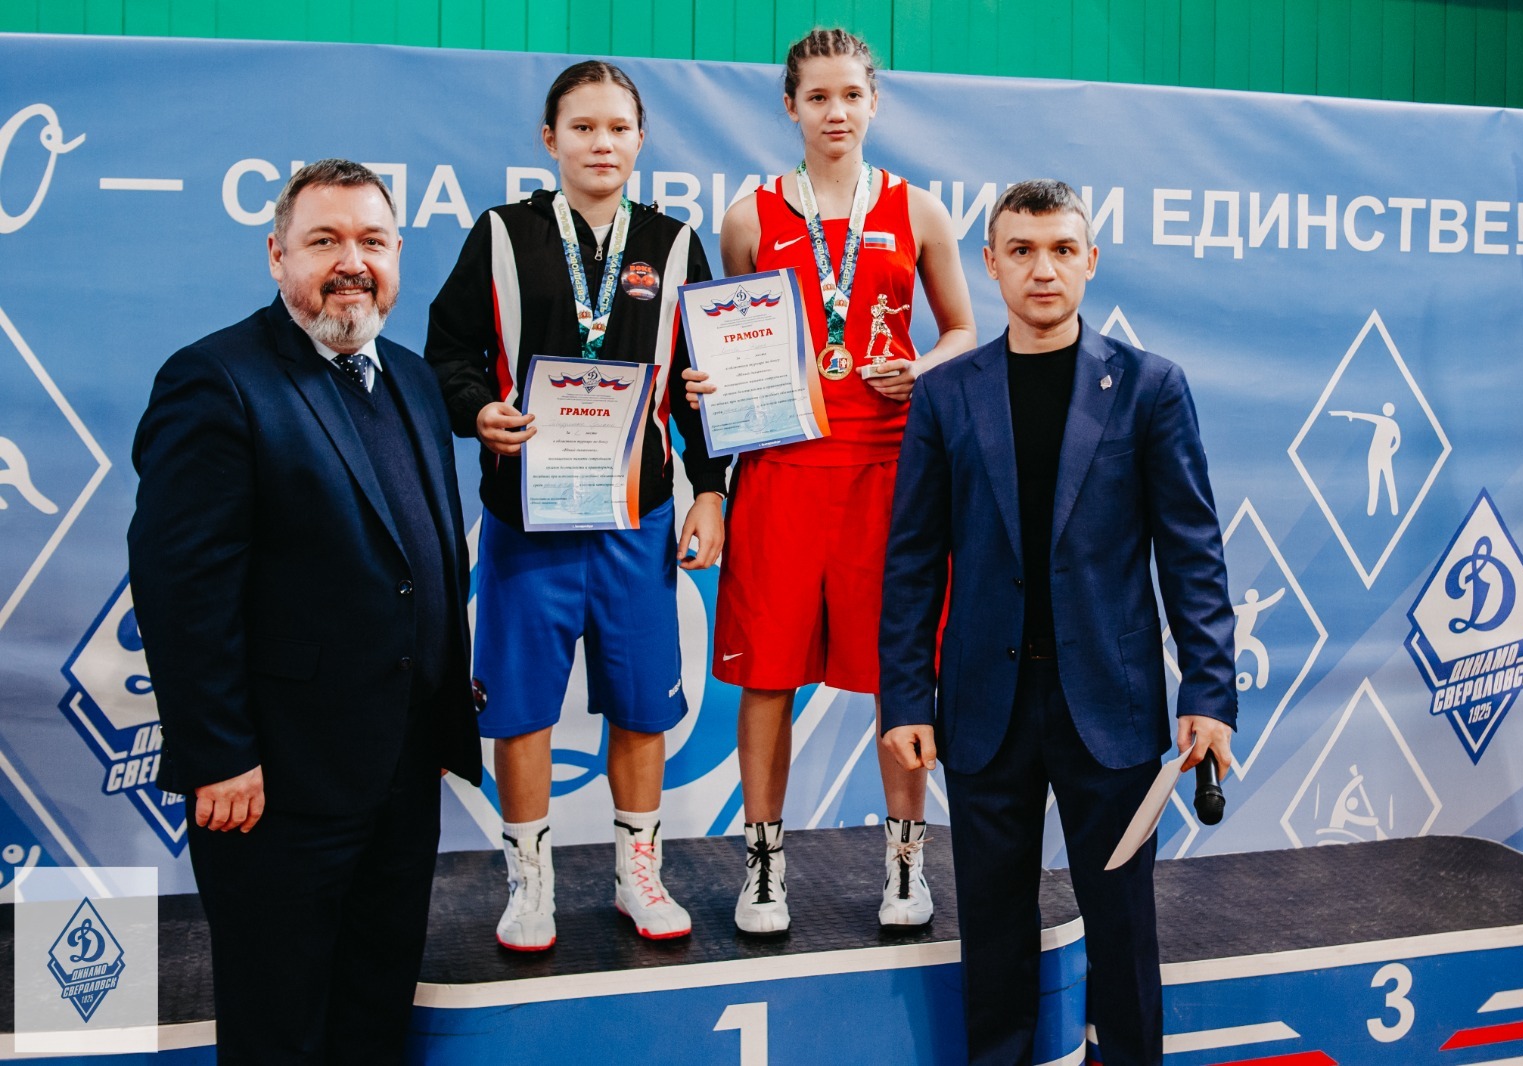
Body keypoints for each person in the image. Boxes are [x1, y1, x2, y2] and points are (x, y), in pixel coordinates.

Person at [128, 159, 482, 1063]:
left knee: (374, 1015)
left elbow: (420, 561)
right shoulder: (216, 379)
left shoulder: (411, 379)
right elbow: (181, 587)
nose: (351, 262)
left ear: (397, 257)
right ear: (277, 256)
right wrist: (218, 754)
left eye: (372, 241)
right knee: (280, 1029)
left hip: (403, 777)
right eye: (325, 241)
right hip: (274, 789)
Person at [879, 180, 1237, 1066]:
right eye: (1023, 251)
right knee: (993, 926)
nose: (1044, 270)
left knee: (1123, 926)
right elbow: (913, 560)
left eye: (1062, 250)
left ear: (1091, 261)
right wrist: (906, 699)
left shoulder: (1150, 387)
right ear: (991, 263)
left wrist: (1209, 691)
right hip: (983, 706)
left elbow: (1192, 550)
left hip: (1110, 706)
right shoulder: (946, 394)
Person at [426, 61, 728, 950]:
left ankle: (640, 873)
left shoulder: (675, 243)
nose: (602, 143)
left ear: (641, 140)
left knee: (642, 702)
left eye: (618, 128)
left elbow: (701, 385)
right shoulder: (501, 234)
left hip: (638, 519)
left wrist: (712, 489)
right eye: (584, 127)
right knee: (520, 707)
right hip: (528, 521)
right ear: (549, 138)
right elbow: (448, 355)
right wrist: (478, 410)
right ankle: (531, 883)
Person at [686, 27, 976, 935]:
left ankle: (906, 862)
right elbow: (731, 337)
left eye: (851, 94)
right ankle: (763, 867)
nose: (836, 112)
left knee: (901, 672)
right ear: (790, 107)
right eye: (818, 97)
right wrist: (714, 381)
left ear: (874, 102)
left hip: (888, 470)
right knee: (767, 675)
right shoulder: (749, 216)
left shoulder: (919, 210)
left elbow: (963, 333)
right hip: (780, 470)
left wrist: (920, 371)